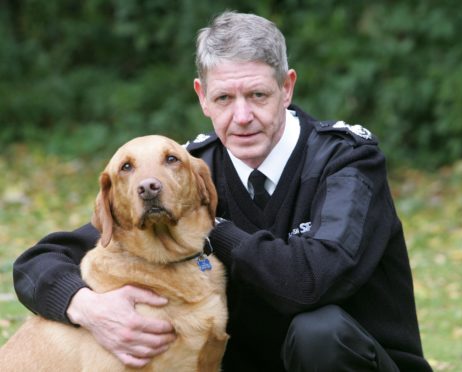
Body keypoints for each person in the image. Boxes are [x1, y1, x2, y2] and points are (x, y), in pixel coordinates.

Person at [13, 11, 432, 372]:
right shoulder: (187, 172)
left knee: (318, 332)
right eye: (224, 98)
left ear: (287, 88)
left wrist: (214, 228)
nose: (242, 116)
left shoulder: (346, 162)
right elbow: (37, 263)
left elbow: (312, 283)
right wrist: (85, 306)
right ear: (202, 98)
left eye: (257, 95)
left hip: (359, 362)